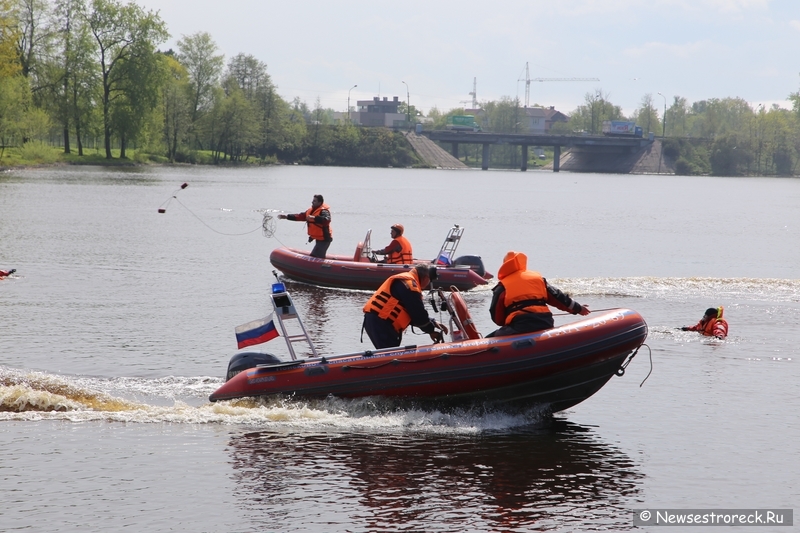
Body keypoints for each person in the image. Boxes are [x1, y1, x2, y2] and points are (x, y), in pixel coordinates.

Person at [487, 251, 590, 338]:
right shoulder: (538, 279)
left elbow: (497, 317)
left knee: (489, 340)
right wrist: (579, 308)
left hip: (519, 326)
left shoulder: (502, 287)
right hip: (545, 321)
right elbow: (559, 297)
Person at [362, 264, 448, 349]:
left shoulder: (406, 281)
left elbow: (411, 312)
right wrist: (431, 330)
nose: (428, 283)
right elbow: (418, 314)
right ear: (426, 277)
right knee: (390, 356)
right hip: (382, 323)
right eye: (430, 280)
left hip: (377, 321)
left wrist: (432, 322)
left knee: (388, 353)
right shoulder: (410, 285)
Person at [277, 194, 332, 258]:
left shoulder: (324, 211)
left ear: (320, 202)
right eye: (312, 200)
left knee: (315, 256)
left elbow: (327, 220)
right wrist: (287, 217)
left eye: (314, 201)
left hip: (325, 239)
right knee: (317, 255)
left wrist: (314, 218)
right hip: (318, 238)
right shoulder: (310, 210)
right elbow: (300, 216)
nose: (312, 202)